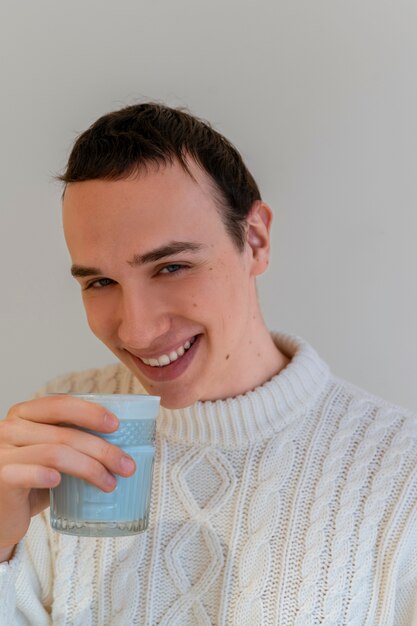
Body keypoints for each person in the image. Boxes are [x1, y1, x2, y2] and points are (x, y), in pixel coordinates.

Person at [0, 103, 416, 626]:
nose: (137, 331)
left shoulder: (400, 471)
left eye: (172, 266)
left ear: (256, 240)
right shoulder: (60, 432)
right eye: (100, 282)